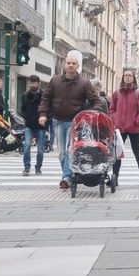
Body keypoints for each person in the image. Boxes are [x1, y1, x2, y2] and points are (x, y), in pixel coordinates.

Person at [38, 52, 101, 189]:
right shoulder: (55, 81)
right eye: (69, 63)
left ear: (78, 66)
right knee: (61, 154)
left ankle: (66, 177)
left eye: (74, 63)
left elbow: (95, 101)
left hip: (75, 122)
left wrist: (92, 113)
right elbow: (46, 98)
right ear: (64, 65)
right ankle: (69, 175)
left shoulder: (84, 83)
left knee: (69, 150)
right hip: (58, 121)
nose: (71, 65)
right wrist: (43, 114)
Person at [111, 70, 139, 185]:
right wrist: (114, 118)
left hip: (134, 128)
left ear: (133, 78)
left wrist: (137, 120)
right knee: (118, 152)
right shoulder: (117, 93)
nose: (128, 78)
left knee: (136, 150)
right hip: (120, 127)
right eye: (126, 76)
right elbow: (112, 108)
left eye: (130, 76)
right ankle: (115, 177)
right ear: (123, 78)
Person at [21, 75, 46, 175]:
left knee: (40, 149)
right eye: (30, 83)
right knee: (27, 146)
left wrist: (46, 120)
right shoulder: (25, 95)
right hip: (29, 125)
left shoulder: (44, 95)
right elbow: (22, 108)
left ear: (38, 83)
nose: (32, 85)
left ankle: (38, 167)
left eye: (34, 83)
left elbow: (48, 108)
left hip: (41, 125)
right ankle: (27, 167)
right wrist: (26, 116)